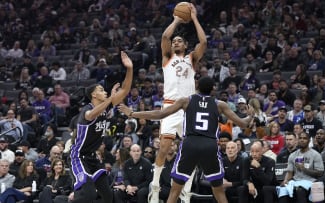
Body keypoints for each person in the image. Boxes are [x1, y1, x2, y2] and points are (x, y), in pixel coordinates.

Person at [119, 76, 254, 203]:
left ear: (197, 86)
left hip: (190, 144)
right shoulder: (220, 104)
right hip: (210, 145)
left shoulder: (186, 101)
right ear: (213, 89)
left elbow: (160, 114)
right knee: (218, 190)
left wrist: (132, 113)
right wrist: (251, 115)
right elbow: (243, 123)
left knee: (175, 189)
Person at [147, 3, 208, 203]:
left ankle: (186, 190)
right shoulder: (167, 58)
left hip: (188, 107)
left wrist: (195, 19)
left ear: (185, 45)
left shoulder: (191, 59)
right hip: (171, 106)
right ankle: (154, 186)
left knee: (191, 150)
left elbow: (204, 41)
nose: (175, 42)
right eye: (175, 41)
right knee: (164, 147)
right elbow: (165, 37)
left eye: (179, 41)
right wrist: (177, 19)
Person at [69, 51, 133, 203]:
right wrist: (111, 97)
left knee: (108, 195)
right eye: (101, 90)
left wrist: (130, 69)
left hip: (93, 157)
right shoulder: (87, 110)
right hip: (78, 157)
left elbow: (124, 90)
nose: (104, 92)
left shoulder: (105, 106)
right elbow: (92, 115)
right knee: (89, 194)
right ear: (94, 95)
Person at [275, 132, 324, 203]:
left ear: (309, 141)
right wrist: (285, 181)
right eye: (300, 138)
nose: (302, 140)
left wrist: (304, 169)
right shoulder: (293, 155)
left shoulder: (316, 155)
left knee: (300, 189)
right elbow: (290, 173)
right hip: (296, 181)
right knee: (283, 189)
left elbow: (320, 173)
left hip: (311, 181)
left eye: (304, 138)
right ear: (298, 140)